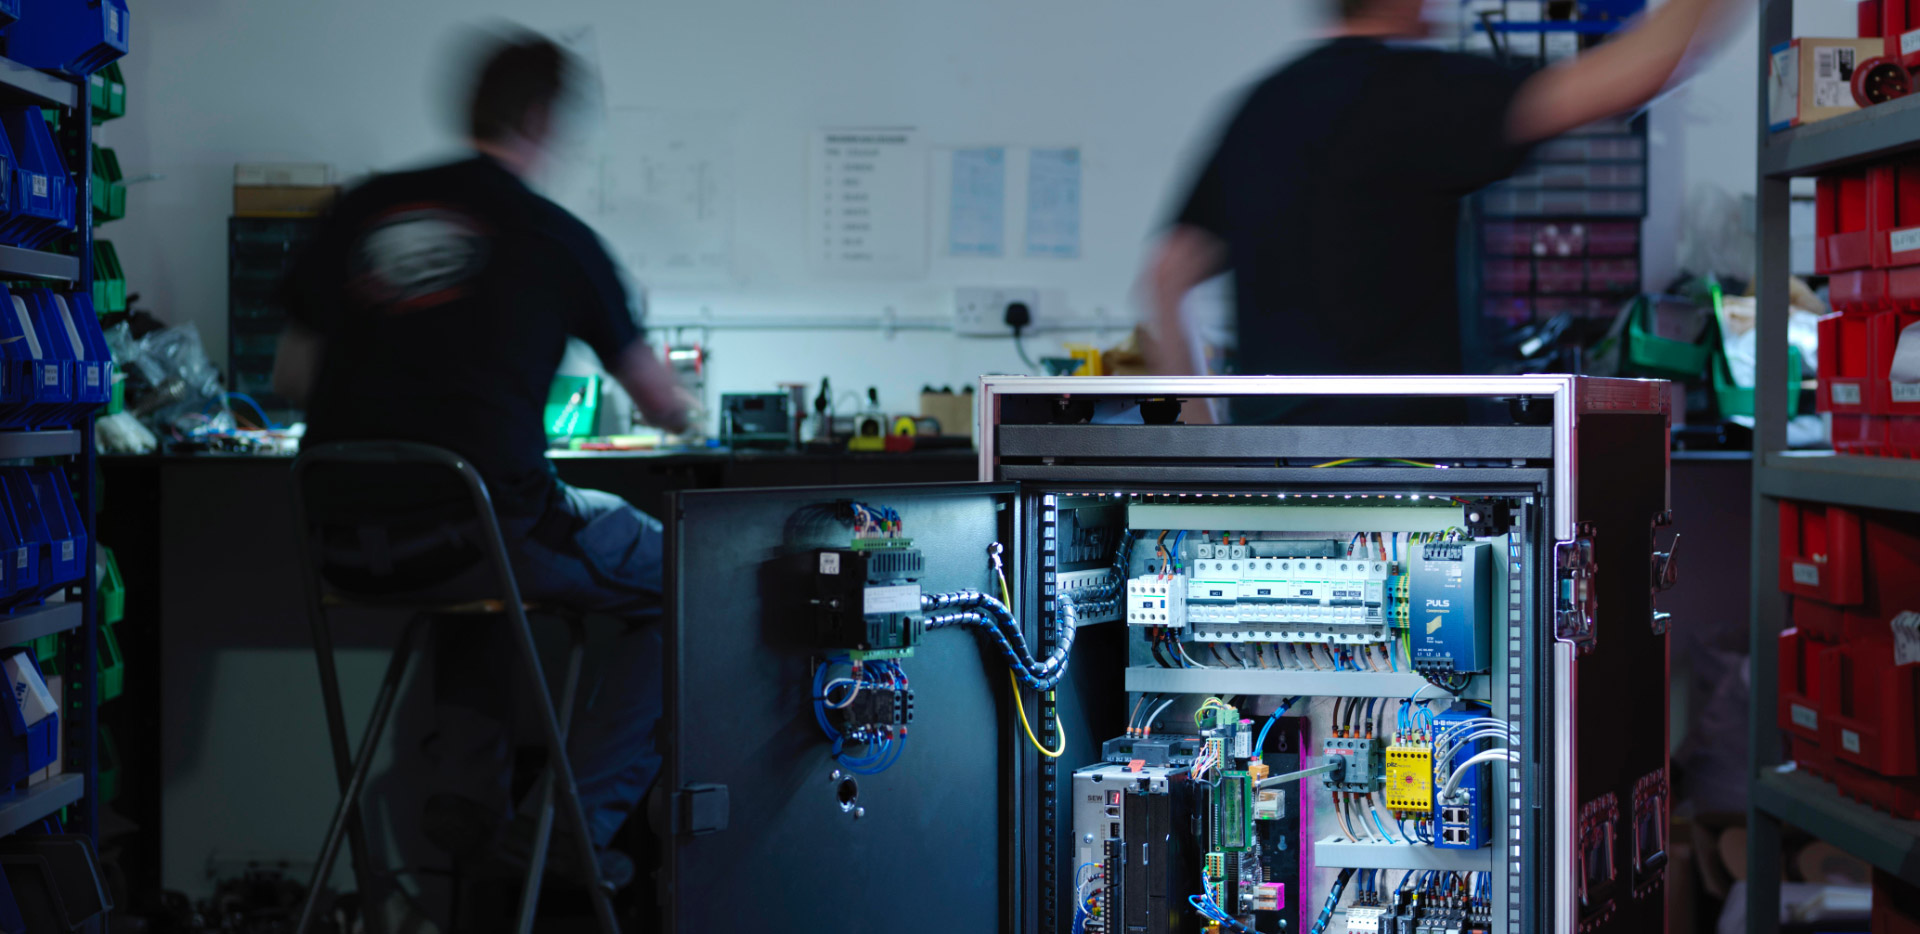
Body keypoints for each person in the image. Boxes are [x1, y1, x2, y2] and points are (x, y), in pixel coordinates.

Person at [272, 32, 692, 889]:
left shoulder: (358, 211)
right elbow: (663, 405)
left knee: (486, 568)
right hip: (479, 531)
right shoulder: (551, 234)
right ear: (542, 118)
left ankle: (467, 808)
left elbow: (286, 381)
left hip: (343, 542)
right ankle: (566, 834)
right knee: (688, 583)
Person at [1144, 0, 1732, 423]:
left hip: (1275, 487)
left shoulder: (1260, 109)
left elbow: (1166, 277)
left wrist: (1209, 451)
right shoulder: (1418, 92)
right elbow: (1649, 64)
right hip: (1409, 489)